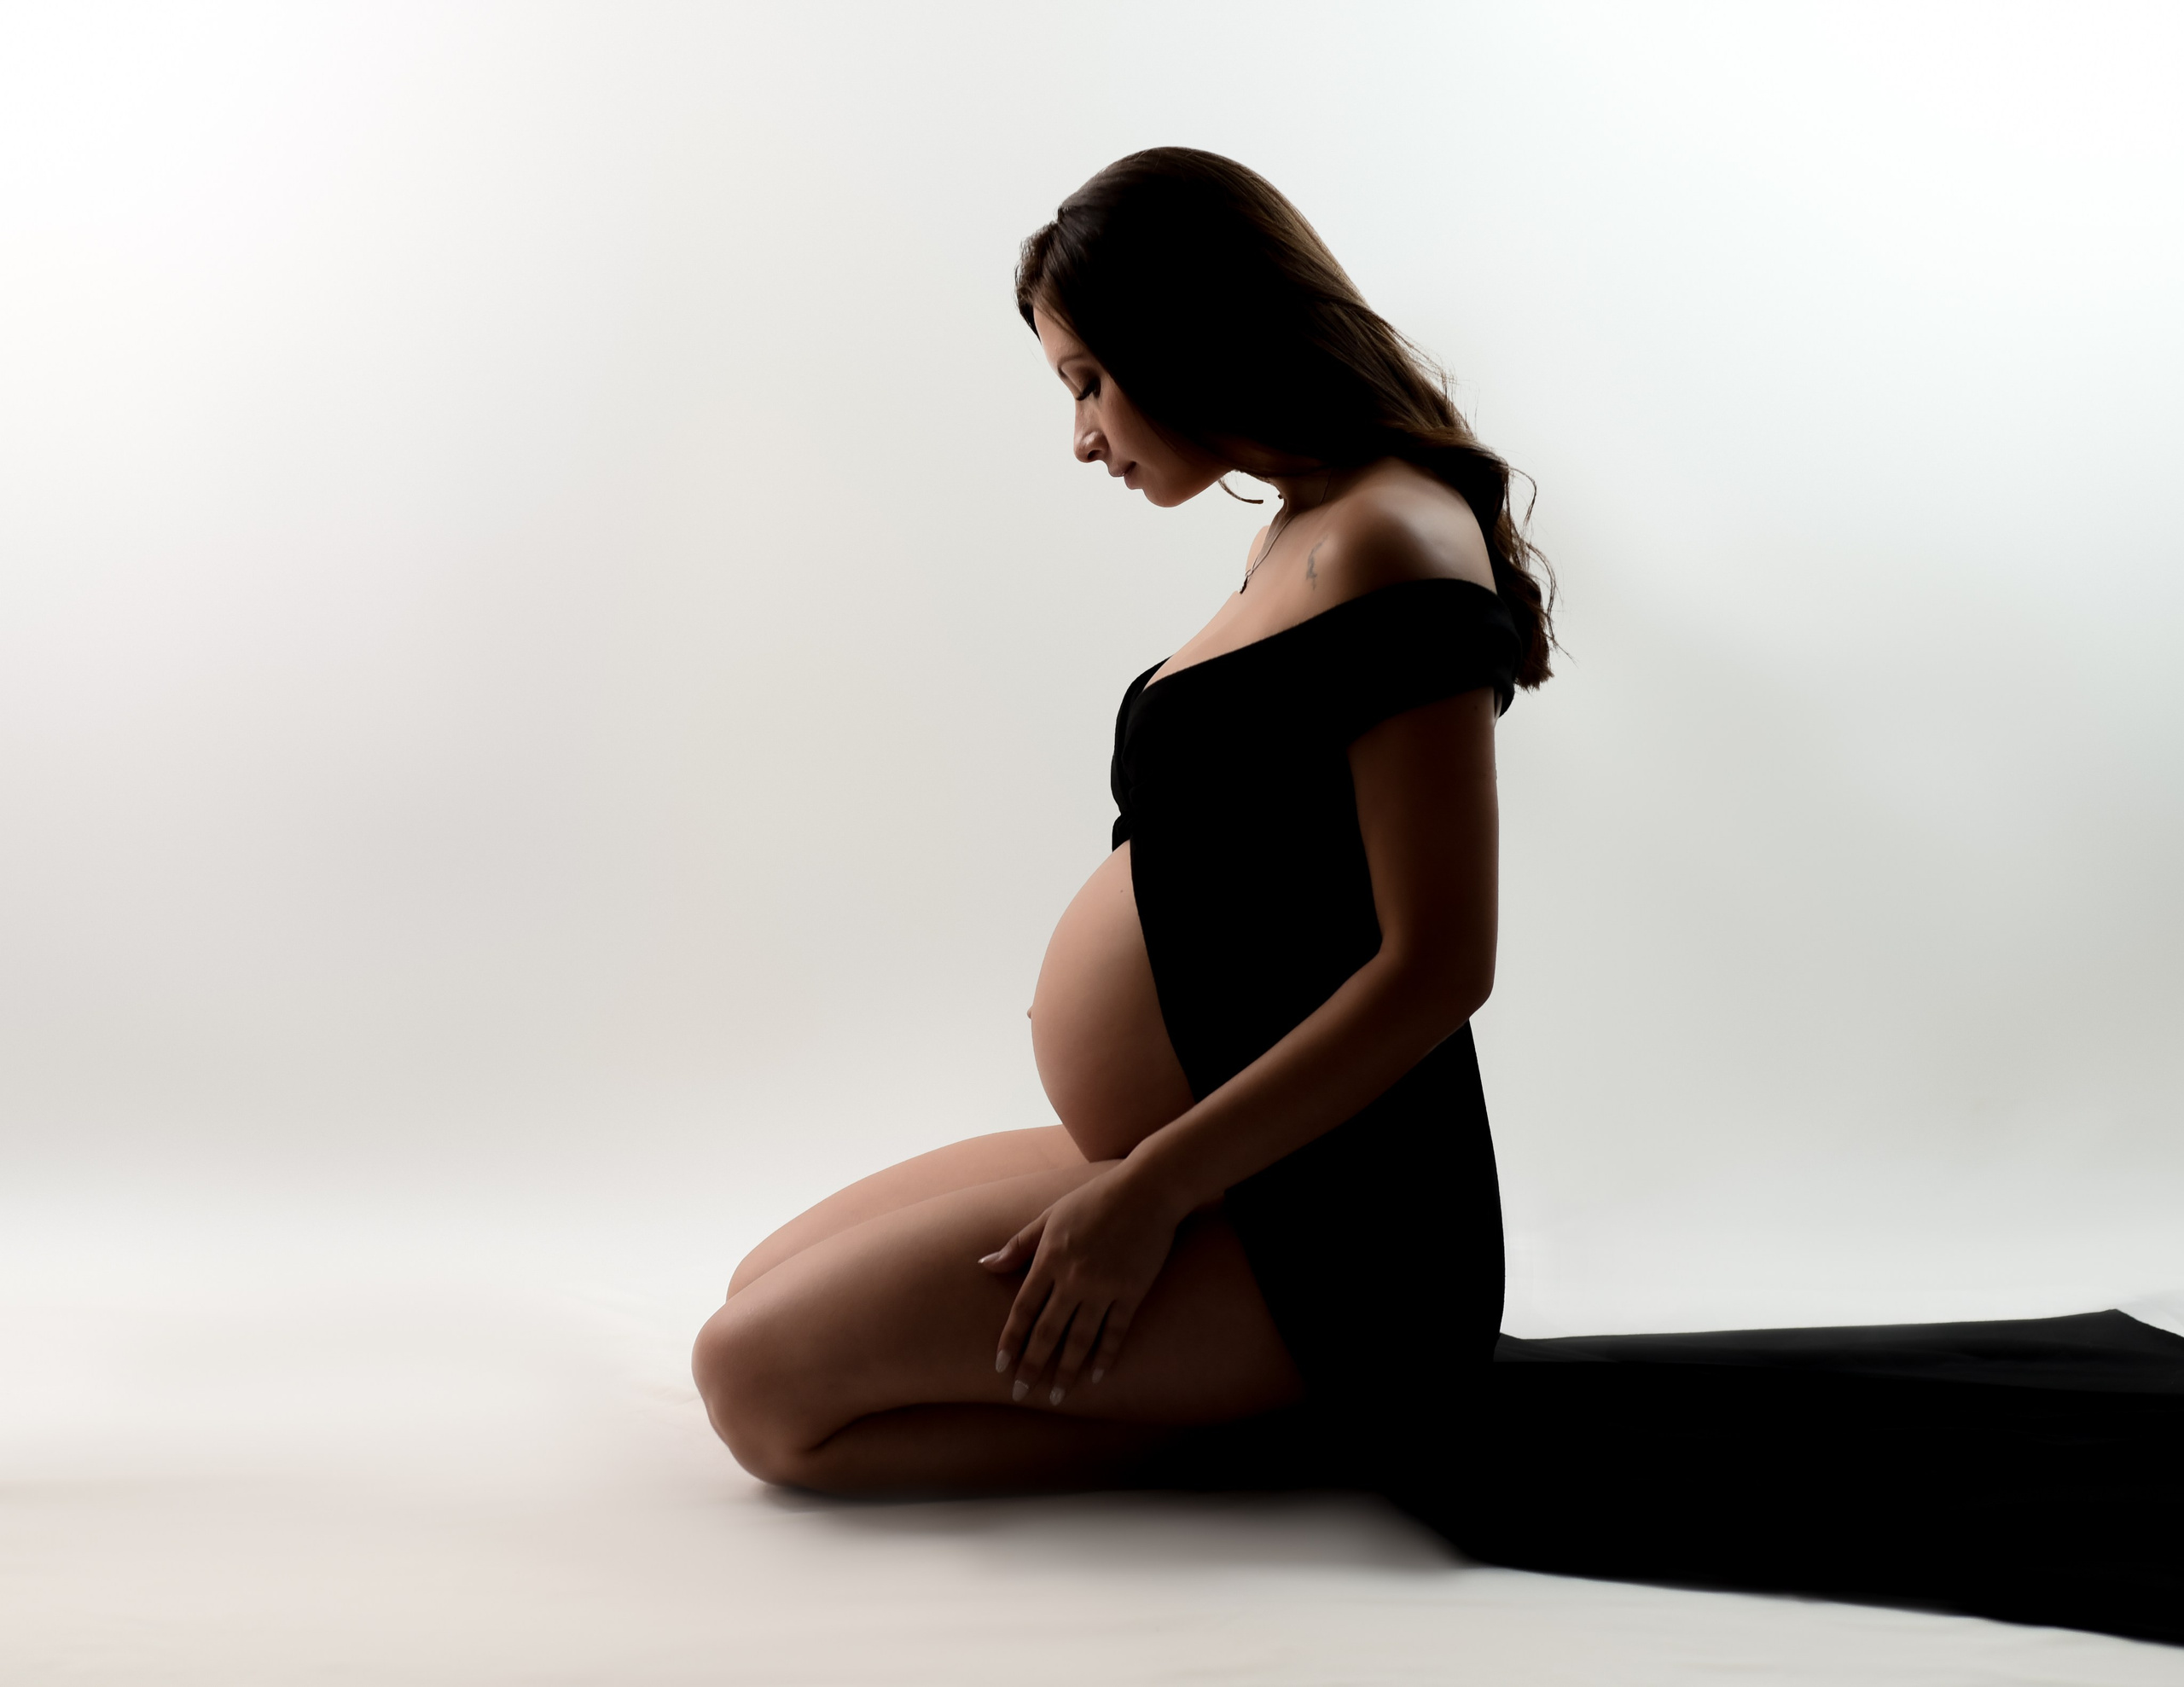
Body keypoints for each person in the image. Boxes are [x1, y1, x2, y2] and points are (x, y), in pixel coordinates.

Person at [694, 149, 2183, 1647]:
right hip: (1209, 1150)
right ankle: (1235, 1383)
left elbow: (1438, 966)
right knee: (759, 1287)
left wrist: (1144, 1197)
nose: (1081, 436)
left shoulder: (1393, 541)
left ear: (1186, 336)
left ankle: (1306, 1412)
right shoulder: (1295, 524)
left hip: (1329, 1232)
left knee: (763, 1392)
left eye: (1090, 381)